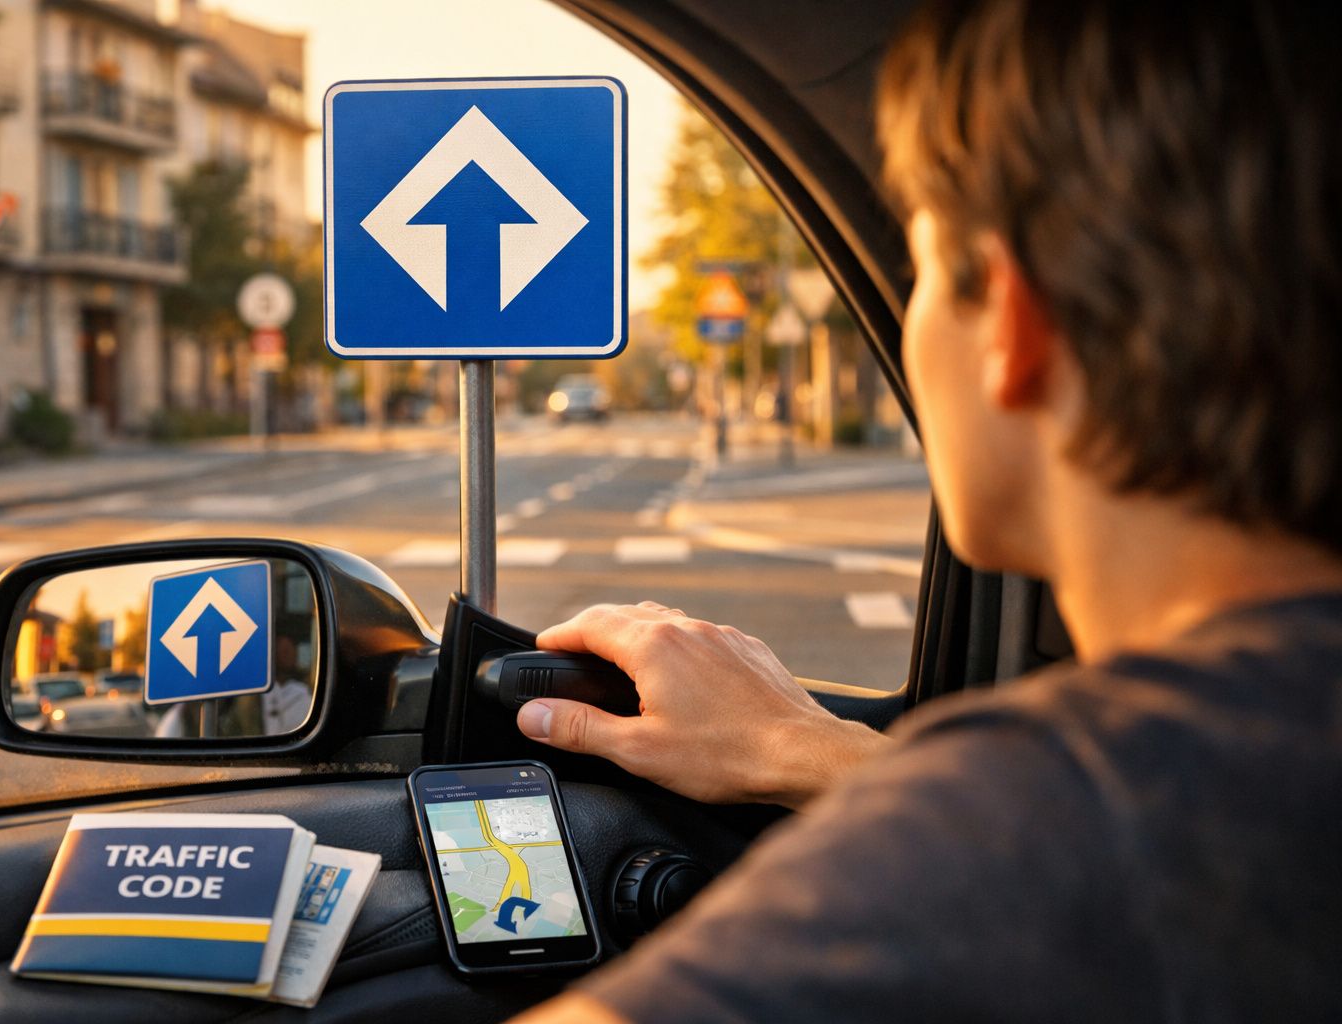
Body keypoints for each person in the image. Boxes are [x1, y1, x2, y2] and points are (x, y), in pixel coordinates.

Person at [512, 1, 1342, 1020]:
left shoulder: (1036, 830)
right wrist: (805, 748)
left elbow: (1047, 848)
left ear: (1011, 320)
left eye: (927, 273)